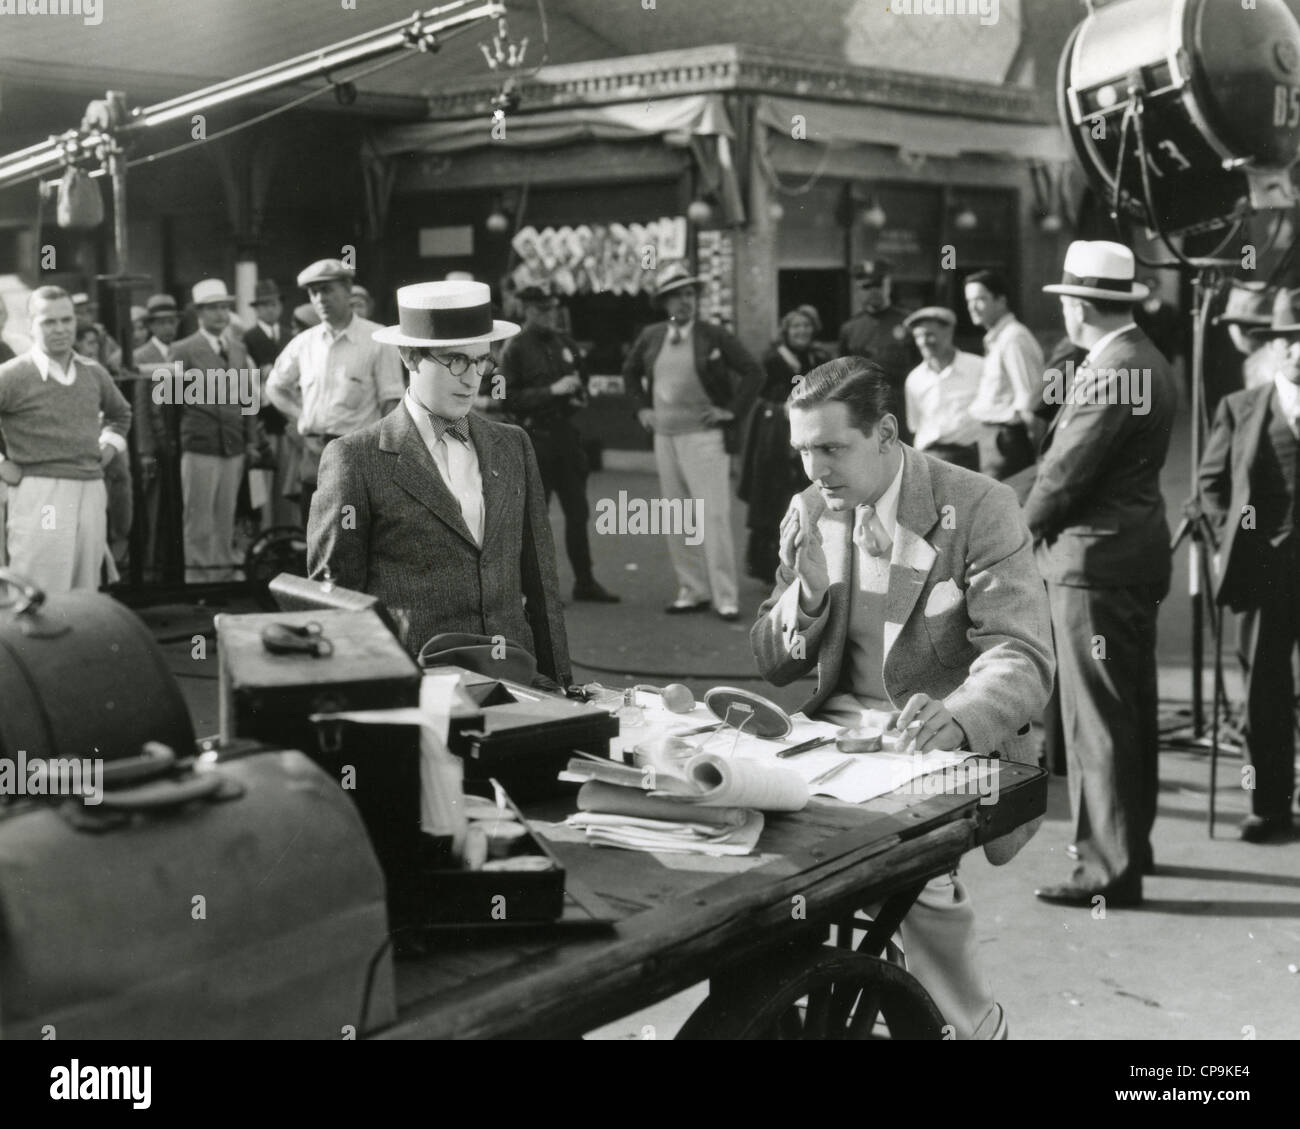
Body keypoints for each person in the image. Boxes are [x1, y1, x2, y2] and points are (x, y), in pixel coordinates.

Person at [751, 358, 1053, 1039]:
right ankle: (783, 1009)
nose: (814, 469)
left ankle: (971, 1025)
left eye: (832, 447)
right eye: (802, 450)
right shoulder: (806, 508)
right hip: (831, 745)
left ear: (886, 432)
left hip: (935, 749)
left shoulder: (979, 505)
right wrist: (807, 596)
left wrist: (960, 713)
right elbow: (772, 663)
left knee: (907, 871)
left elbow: (1024, 654)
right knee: (745, 857)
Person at [307, 279, 570, 683]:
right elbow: (334, 604)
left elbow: (542, 586)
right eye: (455, 361)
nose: (472, 378)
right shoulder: (354, 459)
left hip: (518, 680)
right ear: (410, 357)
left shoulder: (512, 445)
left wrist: (563, 688)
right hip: (417, 689)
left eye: (481, 361)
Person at [1027, 241, 1178, 907]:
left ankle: (1107, 870)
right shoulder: (1145, 358)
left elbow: (1064, 475)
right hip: (1135, 554)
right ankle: (1130, 844)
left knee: (1097, 720)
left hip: (1091, 563)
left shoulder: (1109, 368)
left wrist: (1011, 535)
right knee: (1130, 710)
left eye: (1065, 303)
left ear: (1082, 306)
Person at [1199, 287, 1300, 843]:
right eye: (1291, 341)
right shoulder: (1241, 409)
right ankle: (1271, 806)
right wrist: (1230, 541)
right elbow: (1211, 485)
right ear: (1274, 346)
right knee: (1264, 688)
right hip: (1265, 571)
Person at [623, 260, 763, 621]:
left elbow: (753, 371)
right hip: (665, 438)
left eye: (689, 294)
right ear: (665, 303)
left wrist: (730, 410)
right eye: (676, 296)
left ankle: (725, 596)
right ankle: (692, 588)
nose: (684, 302)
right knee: (678, 515)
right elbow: (630, 371)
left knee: (712, 516)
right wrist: (641, 409)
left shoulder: (713, 336)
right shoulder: (652, 336)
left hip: (704, 437)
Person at [0, 286, 132, 592]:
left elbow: (120, 414)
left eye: (66, 320)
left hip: (90, 489)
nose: (60, 329)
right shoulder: (14, 374)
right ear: (30, 325)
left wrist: (109, 448)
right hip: (42, 493)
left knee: (86, 586)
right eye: (48, 322)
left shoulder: (93, 371)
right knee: (41, 585)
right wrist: (2, 464)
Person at [499, 285, 619, 603]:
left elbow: (583, 379)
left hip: (566, 436)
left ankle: (585, 581)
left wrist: (579, 395)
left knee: (578, 512)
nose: (547, 315)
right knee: (537, 518)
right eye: (540, 310)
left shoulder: (566, 343)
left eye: (551, 309)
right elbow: (504, 398)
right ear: (525, 311)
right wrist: (551, 391)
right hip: (535, 437)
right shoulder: (513, 348)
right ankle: (537, 591)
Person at [266, 258, 405, 525]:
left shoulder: (377, 339)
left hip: (358, 455)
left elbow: (391, 402)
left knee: (355, 537)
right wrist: (300, 416)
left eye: (327, 290)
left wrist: (380, 457)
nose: (320, 299)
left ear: (347, 289)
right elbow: (275, 386)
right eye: (313, 292)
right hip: (314, 454)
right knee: (316, 535)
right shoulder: (304, 343)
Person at [171, 279, 260, 583]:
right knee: (198, 517)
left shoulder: (238, 349)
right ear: (199, 313)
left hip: (233, 445)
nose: (221, 315)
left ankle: (222, 573)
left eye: (225, 308)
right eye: (213, 309)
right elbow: (166, 404)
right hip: (200, 444)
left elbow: (248, 399)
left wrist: (251, 441)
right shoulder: (181, 350)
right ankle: (198, 578)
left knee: (226, 513)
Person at [738, 306, 823, 582]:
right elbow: (757, 396)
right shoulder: (772, 360)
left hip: (810, 436)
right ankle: (769, 569)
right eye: (796, 327)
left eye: (806, 326)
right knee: (774, 501)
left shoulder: (819, 358)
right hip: (774, 439)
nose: (802, 332)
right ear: (786, 331)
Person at [964, 269, 1044, 480]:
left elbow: (1030, 401)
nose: (973, 307)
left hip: (1007, 442)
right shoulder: (998, 339)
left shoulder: (1014, 338)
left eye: (980, 299)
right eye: (969, 300)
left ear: (1001, 300)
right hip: (993, 440)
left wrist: (1038, 451)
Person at [134, 293, 183, 580]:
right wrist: (145, 450)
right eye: (161, 323)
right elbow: (141, 408)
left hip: (180, 443)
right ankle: (151, 569)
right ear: (151, 326)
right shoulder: (142, 356)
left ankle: (171, 568)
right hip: (156, 446)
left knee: (175, 509)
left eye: (172, 322)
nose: (168, 328)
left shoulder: (179, 351)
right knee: (153, 509)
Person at [836, 260, 914, 439]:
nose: (873, 291)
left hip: (902, 411)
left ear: (888, 285)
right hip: (864, 413)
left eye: (878, 285)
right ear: (857, 291)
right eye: (866, 286)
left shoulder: (908, 322)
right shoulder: (850, 329)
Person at [901, 306, 983, 471]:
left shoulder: (978, 367)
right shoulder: (915, 379)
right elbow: (915, 425)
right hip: (928, 459)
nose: (924, 342)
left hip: (970, 459)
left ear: (949, 332)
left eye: (930, 335)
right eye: (918, 336)